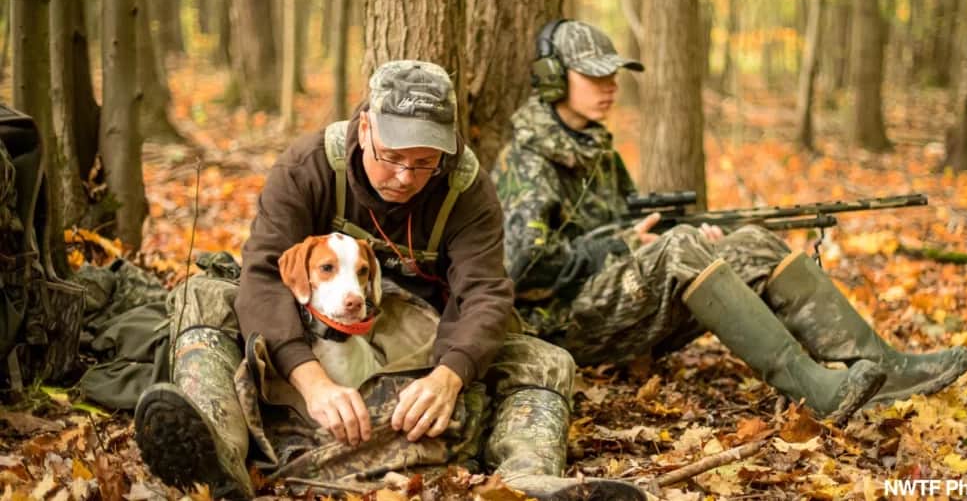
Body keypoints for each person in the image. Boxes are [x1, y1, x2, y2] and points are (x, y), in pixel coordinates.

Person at [134, 60, 643, 500]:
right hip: (308, 344)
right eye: (392, 158)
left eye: (424, 163)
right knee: (203, 296)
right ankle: (216, 458)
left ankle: (527, 482)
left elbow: (485, 293)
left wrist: (450, 375)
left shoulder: (464, 187)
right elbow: (263, 273)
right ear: (364, 130)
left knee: (546, 359)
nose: (405, 176)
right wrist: (310, 380)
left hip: (415, 351)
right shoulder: (309, 167)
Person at [493, 19, 967, 423]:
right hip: (558, 325)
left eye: (613, 75)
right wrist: (628, 246)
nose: (610, 86)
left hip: (612, 299)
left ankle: (882, 366)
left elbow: (627, 227)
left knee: (750, 244)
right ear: (554, 79)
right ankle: (814, 390)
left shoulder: (596, 149)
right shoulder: (529, 162)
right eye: (594, 76)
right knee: (680, 245)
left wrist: (682, 246)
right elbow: (524, 266)